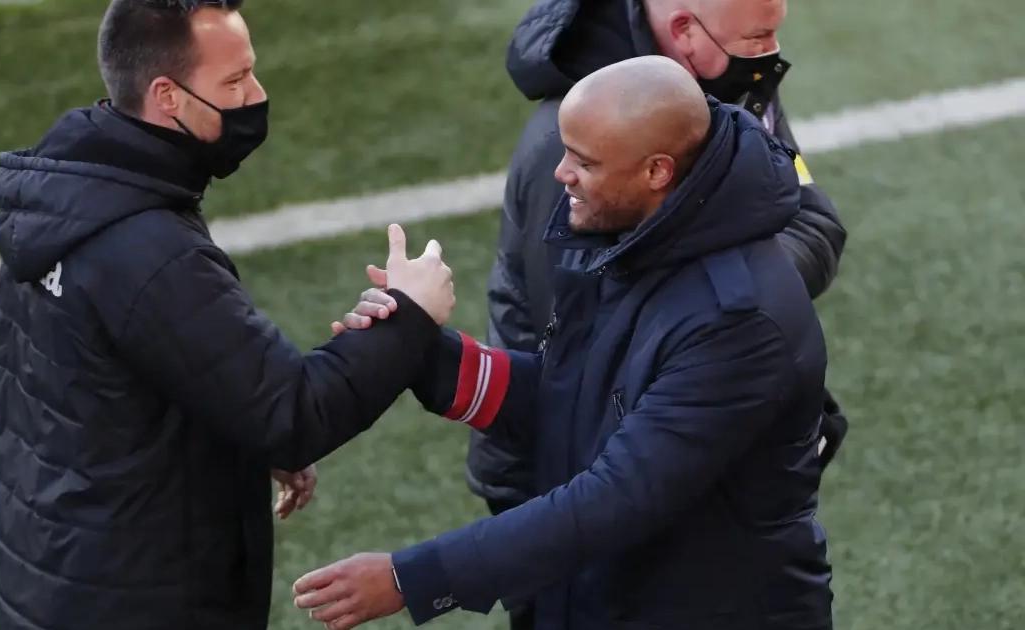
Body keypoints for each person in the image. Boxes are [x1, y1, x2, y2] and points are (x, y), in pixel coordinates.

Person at [298, 56, 834, 630]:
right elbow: (580, 400)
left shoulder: (740, 322)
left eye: (584, 161)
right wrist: (421, 350)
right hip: (620, 598)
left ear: (657, 171)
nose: (560, 174)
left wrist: (413, 578)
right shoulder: (637, 237)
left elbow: (617, 499)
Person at [0, 2, 456, 629]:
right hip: (142, 600)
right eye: (234, 82)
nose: (256, 96)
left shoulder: (70, 197)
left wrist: (236, 423)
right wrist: (412, 315)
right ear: (167, 96)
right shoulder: (149, 252)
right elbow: (292, 414)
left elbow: (113, 384)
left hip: (60, 570)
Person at [471, 3, 849, 625]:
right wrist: (412, 578)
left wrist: (727, 293)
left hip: (659, 478)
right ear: (683, 32)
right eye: (758, 36)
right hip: (559, 484)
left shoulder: (721, 85)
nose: (770, 54)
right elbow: (576, 373)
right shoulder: (580, 146)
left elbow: (813, 216)